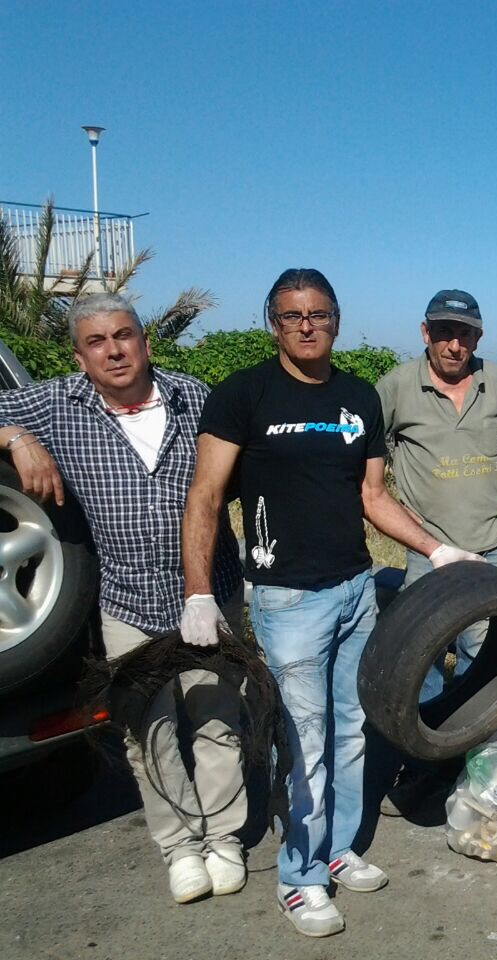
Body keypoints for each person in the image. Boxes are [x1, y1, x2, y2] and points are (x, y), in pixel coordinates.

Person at [182, 269, 474, 937]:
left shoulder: (357, 398)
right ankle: (299, 876)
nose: (306, 325)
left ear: (336, 319)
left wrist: (438, 549)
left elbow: (373, 498)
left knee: (350, 732)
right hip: (286, 601)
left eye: (318, 314)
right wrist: (199, 592)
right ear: (273, 324)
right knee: (304, 741)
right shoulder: (242, 395)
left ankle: (338, 850)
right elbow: (204, 497)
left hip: (353, 589)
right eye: (292, 316)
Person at [0, 292, 246, 904]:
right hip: (127, 600)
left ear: (145, 340)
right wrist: (14, 436)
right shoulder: (57, 403)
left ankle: (225, 839)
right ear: (80, 356)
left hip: (209, 593)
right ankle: (181, 848)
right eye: (97, 342)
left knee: (217, 719)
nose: (114, 350)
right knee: (148, 728)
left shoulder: (195, 396)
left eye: (124, 335)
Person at [376, 289, 497, 699]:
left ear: (478, 337)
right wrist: (388, 503)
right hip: (430, 550)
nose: (455, 345)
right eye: (444, 332)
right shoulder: (396, 387)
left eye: (465, 334)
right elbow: (360, 453)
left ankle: (476, 745)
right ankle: (428, 750)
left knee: (486, 651)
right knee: (424, 652)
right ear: (425, 332)